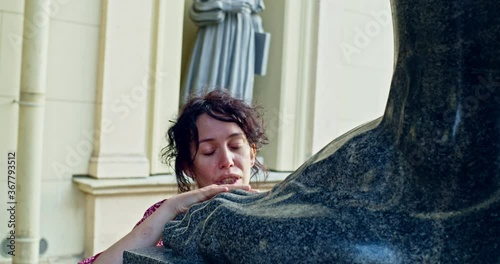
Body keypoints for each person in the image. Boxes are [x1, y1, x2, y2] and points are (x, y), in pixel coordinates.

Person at [79, 89, 268, 264]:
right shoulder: (171, 217)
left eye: (235, 146)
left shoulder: (276, 213)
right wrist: (171, 207)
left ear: (251, 154)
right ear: (188, 167)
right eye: (209, 151)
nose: (227, 160)